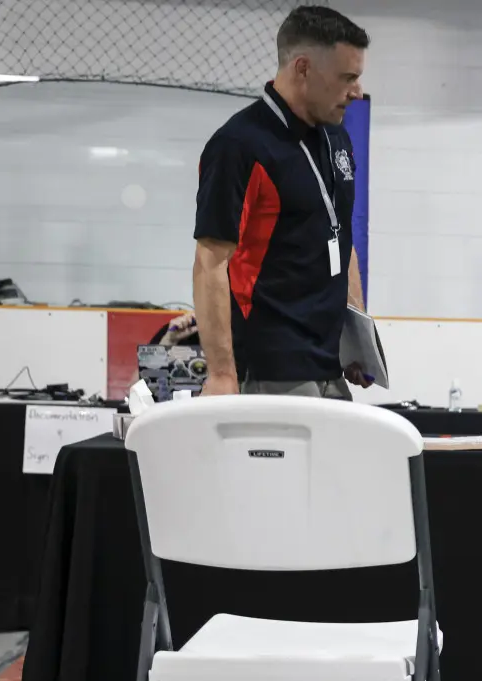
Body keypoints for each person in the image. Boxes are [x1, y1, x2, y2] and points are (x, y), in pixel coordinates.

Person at [192, 6, 372, 398]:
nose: (356, 92)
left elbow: (341, 239)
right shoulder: (239, 146)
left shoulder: (335, 137)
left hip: (331, 368)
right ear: (303, 68)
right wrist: (222, 374)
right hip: (271, 371)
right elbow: (211, 260)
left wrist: (355, 335)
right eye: (348, 78)